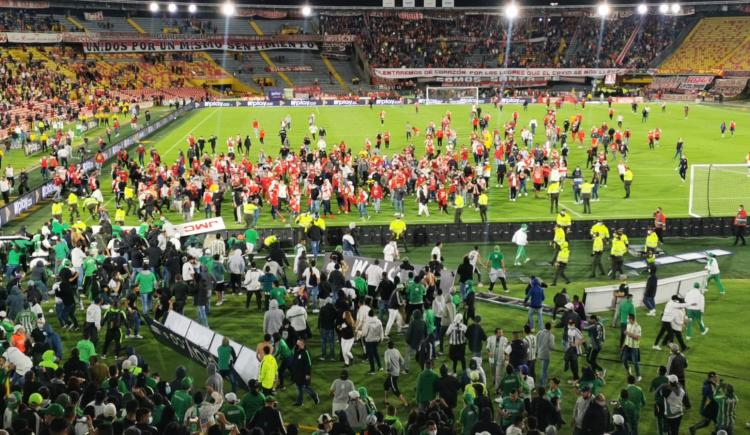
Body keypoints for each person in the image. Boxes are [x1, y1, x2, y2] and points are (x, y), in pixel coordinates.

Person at [291, 338, 320, 406]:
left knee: (306, 387)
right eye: (296, 344)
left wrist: (307, 374)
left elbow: (309, 364)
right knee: (298, 388)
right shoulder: (297, 351)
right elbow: (294, 361)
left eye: (298, 344)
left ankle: (315, 396)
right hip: (297, 374)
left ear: (302, 344)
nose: (296, 345)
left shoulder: (305, 352)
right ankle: (299, 402)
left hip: (304, 374)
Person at [622, 314, 642, 382]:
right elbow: (627, 337)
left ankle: (638, 375)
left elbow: (638, 338)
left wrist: (629, 333)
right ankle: (628, 369)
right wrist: (623, 345)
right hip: (627, 346)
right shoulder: (628, 325)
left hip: (634, 347)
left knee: (635, 362)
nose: (627, 320)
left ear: (631, 319)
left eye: (628, 319)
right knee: (624, 360)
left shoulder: (638, 327)